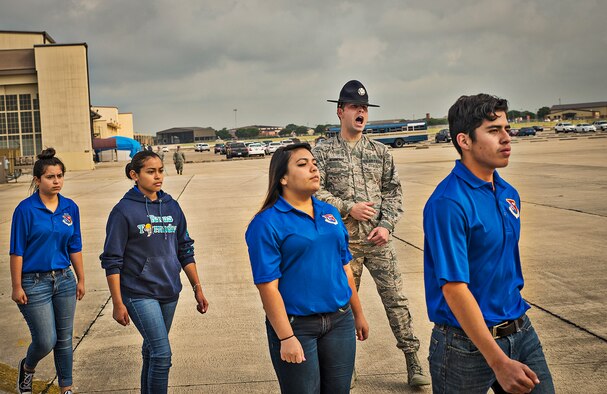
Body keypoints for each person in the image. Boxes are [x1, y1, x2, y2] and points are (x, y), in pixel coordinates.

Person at [423, 94, 554, 393]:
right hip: (464, 347)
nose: (507, 138)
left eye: (506, 129)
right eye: (494, 131)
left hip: (520, 331)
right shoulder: (448, 203)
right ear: (464, 141)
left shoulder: (508, 193)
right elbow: (454, 288)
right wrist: (498, 361)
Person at [312, 80, 430, 386]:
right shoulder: (323, 152)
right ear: (340, 112)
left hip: (378, 242)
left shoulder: (381, 152)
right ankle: (343, 368)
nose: (360, 112)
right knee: (340, 308)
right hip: (342, 246)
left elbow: (394, 193)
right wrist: (347, 207)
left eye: (364, 108)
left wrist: (386, 226)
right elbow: (314, 192)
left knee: (396, 301)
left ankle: (413, 360)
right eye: (354, 107)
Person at [245, 143, 369, 393]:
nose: (313, 168)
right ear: (282, 178)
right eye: (302, 164)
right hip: (297, 326)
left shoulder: (329, 212)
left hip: (340, 321)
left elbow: (344, 268)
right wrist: (286, 337)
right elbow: (268, 286)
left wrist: (358, 314)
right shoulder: (266, 223)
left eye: (313, 163)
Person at [100, 150, 209, 393]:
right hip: (138, 292)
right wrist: (118, 303)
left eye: (160, 170)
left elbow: (185, 249)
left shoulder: (172, 206)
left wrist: (197, 288)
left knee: (151, 351)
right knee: (162, 354)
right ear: (134, 175)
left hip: (169, 290)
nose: (158, 176)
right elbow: (111, 260)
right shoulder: (123, 211)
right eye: (150, 172)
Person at [10, 148, 85, 394]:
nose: (56, 181)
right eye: (50, 177)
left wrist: (81, 279)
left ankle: (67, 388)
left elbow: (75, 245)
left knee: (64, 340)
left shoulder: (70, 207)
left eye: (60, 176)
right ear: (37, 180)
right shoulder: (25, 210)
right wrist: (16, 285)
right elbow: (17, 250)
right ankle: (28, 368)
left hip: (64, 279)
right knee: (45, 340)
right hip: (33, 282)